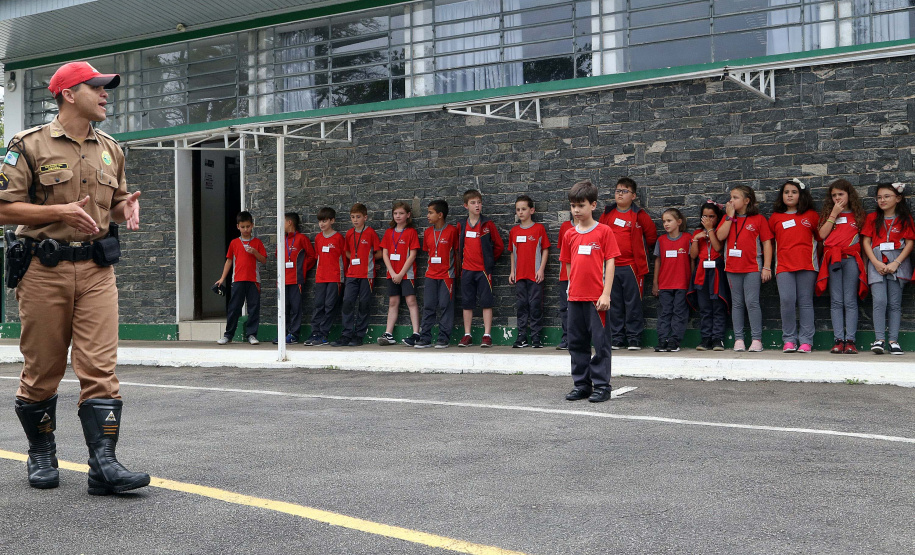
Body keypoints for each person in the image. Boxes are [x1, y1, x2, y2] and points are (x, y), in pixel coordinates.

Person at [0, 61, 149, 494]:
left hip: (97, 271)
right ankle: (42, 452)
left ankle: (105, 467)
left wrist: (125, 209)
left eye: (106, 88)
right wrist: (57, 212)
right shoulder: (27, 144)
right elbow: (3, 208)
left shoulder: (111, 149)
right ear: (68, 94)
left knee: (100, 369)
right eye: (96, 88)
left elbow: (115, 202)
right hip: (43, 272)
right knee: (43, 369)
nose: (106, 95)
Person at [560, 180, 620, 403]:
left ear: (593, 205)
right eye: (573, 206)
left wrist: (606, 293)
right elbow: (568, 263)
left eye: (581, 205)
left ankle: (602, 386)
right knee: (576, 343)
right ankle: (582, 385)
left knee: (601, 343)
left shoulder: (604, 232)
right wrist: (570, 288)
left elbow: (611, 263)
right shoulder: (569, 234)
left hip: (597, 300)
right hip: (575, 297)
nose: (576, 210)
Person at [598, 177, 657, 350]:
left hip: (632, 266)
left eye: (624, 191)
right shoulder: (607, 214)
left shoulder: (639, 215)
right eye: (618, 191)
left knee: (633, 303)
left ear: (633, 196)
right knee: (613, 302)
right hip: (611, 266)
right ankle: (617, 338)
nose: (620, 194)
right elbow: (599, 235)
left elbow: (652, 237)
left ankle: (634, 338)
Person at [715, 185, 773, 352]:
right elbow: (720, 236)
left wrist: (767, 267)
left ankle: (757, 339)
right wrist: (729, 217)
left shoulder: (759, 219)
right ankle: (738, 338)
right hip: (732, 268)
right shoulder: (727, 218)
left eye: (735, 197)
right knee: (737, 304)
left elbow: (767, 243)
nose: (731, 201)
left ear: (747, 201)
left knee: (752, 302)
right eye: (730, 197)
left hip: (752, 268)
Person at [861, 183, 915, 355]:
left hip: (897, 264)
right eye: (879, 197)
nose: (882, 200)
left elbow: (910, 243)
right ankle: (879, 339)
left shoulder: (905, 219)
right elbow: (866, 242)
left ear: (898, 198)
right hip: (876, 262)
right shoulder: (872, 218)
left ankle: (893, 341)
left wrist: (896, 263)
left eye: (887, 196)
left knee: (894, 303)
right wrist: (875, 262)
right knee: (879, 301)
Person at [816, 179, 868, 354]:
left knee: (850, 300)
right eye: (834, 195)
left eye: (841, 194)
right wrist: (834, 214)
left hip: (852, 259)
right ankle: (839, 340)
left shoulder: (858, 214)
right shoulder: (828, 214)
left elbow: (865, 241)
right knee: (836, 300)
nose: (837, 198)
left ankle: (851, 340)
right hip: (833, 260)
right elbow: (822, 235)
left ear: (849, 195)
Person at [768, 179, 820, 353]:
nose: (789, 195)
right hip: (783, 267)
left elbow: (820, 240)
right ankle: (789, 339)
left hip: (807, 265)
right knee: (787, 301)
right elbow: (769, 243)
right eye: (786, 192)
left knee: (805, 302)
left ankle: (806, 340)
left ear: (801, 195)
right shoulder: (775, 217)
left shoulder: (812, 215)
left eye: (794, 192)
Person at [456, 189, 504, 347]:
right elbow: (457, 247)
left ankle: (487, 335)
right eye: (473, 203)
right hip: (467, 270)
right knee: (467, 303)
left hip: (483, 271)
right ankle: (467, 334)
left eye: (479, 202)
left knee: (486, 302)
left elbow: (499, 246)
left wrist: (489, 261)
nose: (477, 205)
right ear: (465, 206)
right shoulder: (461, 225)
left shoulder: (487, 224)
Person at [215, 211, 267, 345]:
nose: (245, 229)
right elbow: (229, 261)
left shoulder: (257, 242)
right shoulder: (234, 243)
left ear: (252, 226)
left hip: (254, 280)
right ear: (238, 226)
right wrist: (222, 278)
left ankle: (252, 335)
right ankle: (228, 335)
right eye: (243, 227)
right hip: (237, 280)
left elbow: (264, 260)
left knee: (254, 308)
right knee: (234, 308)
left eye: (248, 226)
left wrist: (255, 252)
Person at [333, 203, 381, 347]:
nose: (355, 220)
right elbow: (347, 252)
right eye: (353, 217)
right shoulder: (349, 233)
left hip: (367, 274)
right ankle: (346, 334)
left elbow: (378, 252)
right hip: (352, 273)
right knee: (347, 302)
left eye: (358, 217)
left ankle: (359, 335)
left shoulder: (371, 232)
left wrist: (369, 260)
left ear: (365, 217)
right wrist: (354, 259)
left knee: (364, 304)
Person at [415, 200, 459, 349]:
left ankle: (443, 338)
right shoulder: (428, 232)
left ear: (440, 215)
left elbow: (457, 253)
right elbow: (428, 252)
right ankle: (425, 337)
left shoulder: (452, 231)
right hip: (431, 275)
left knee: (446, 306)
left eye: (430, 212)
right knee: (428, 306)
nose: (427, 215)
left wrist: (456, 274)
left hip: (447, 276)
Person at [508, 195, 550, 348]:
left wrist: (541, 269)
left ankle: (536, 337)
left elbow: (545, 249)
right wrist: (512, 271)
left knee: (535, 306)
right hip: (520, 276)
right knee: (521, 306)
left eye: (524, 209)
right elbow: (512, 252)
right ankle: (521, 337)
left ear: (531, 210)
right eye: (518, 209)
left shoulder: (539, 229)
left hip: (534, 276)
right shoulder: (514, 231)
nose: (520, 212)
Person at [378, 202, 421, 347]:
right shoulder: (389, 232)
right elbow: (385, 253)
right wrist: (392, 272)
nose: (398, 216)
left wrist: (401, 273)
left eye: (401, 213)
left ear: (408, 215)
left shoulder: (411, 232)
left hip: (406, 274)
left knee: (411, 301)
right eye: (395, 213)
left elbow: (413, 255)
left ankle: (416, 333)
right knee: (393, 302)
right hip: (392, 274)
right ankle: (388, 333)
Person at [688, 201, 729, 351]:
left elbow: (718, 248)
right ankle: (705, 338)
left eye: (711, 216)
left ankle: (717, 338)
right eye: (705, 216)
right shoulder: (696, 233)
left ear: (717, 218)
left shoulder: (719, 231)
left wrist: (710, 230)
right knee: (705, 307)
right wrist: (696, 239)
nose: (708, 219)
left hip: (716, 271)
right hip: (701, 271)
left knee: (718, 306)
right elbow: (693, 255)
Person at [304, 207, 345, 346]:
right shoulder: (318, 238)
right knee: (318, 305)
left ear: (332, 221)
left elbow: (344, 258)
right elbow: (318, 257)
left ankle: (323, 334)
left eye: (325, 221)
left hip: (335, 278)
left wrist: (342, 277)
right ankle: (315, 332)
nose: (322, 224)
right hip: (321, 277)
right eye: (320, 221)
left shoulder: (338, 237)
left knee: (330, 306)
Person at [652, 208, 692, 352]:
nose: (666, 224)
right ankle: (662, 340)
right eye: (664, 221)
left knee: (679, 312)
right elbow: (658, 261)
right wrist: (656, 283)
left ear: (679, 222)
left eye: (669, 221)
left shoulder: (687, 238)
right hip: (665, 283)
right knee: (665, 312)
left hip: (682, 283)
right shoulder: (661, 240)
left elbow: (692, 260)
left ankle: (674, 341)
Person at [273, 212, 315, 345]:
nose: (281, 225)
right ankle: (283, 333)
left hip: (296, 280)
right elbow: (277, 257)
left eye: (283, 221)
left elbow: (312, 256)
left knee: (296, 308)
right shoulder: (281, 240)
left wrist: (302, 269)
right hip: (283, 280)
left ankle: (294, 334)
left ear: (289, 222)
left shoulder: (302, 239)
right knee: (283, 308)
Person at [555, 215, 575, 350]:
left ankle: (580, 338)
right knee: (565, 308)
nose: (577, 209)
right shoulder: (565, 227)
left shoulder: (595, 227)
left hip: (584, 276)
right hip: (565, 276)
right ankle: (567, 337)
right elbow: (562, 251)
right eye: (573, 205)